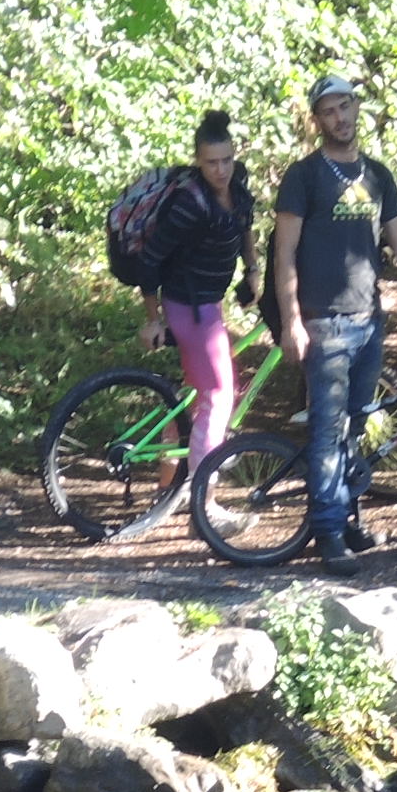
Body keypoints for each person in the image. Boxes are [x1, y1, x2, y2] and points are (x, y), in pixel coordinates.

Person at [269, 72, 397, 562]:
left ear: (357, 109)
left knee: (356, 427)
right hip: (324, 323)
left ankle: (347, 517)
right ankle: (328, 534)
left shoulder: (378, 175)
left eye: (346, 107)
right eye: (329, 111)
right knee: (328, 430)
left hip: (369, 321)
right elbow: (284, 253)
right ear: (317, 120)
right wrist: (291, 320)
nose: (340, 117)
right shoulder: (304, 176)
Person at [131, 109, 257, 508]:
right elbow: (149, 261)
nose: (220, 169)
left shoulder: (238, 187)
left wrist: (253, 271)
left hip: (210, 304)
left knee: (195, 397)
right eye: (210, 162)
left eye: (226, 160)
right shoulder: (189, 203)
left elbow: (245, 226)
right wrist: (152, 319)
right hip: (188, 306)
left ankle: (169, 490)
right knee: (220, 395)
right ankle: (204, 504)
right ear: (198, 161)